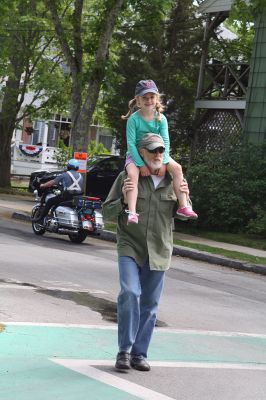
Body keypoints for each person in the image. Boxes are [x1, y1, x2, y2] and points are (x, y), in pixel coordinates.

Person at [102, 133, 189, 372]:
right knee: (130, 292)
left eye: (161, 151)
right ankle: (124, 351)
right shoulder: (127, 177)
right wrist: (121, 198)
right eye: (152, 151)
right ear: (141, 153)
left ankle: (139, 354)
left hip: (159, 249)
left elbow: (183, 214)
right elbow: (107, 213)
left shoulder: (174, 180)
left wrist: (185, 198)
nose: (157, 155)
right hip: (130, 245)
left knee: (150, 304)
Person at [122, 79, 197, 224]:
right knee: (132, 175)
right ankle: (131, 211)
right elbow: (130, 144)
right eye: (144, 98)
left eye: (152, 97)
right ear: (138, 100)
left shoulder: (161, 118)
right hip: (136, 154)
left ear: (156, 99)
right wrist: (140, 165)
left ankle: (183, 205)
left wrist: (163, 163)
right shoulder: (133, 119)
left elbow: (166, 141)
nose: (149, 100)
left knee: (177, 168)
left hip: (158, 153)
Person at [32, 158, 83, 222]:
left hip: (66, 197)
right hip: (78, 198)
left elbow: (52, 182)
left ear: (68, 166)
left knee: (50, 201)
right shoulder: (80, 175)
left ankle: (41, 218)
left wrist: (42, 185)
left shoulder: (65, 174)